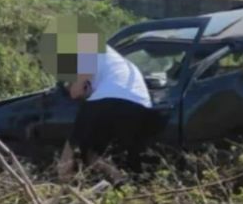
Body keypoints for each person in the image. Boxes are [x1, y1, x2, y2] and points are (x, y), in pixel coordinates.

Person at [58, 45, 164, 181]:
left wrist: (70, 85)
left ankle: (63, 177)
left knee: (76, 143)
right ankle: (121, 180)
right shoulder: (114, 58)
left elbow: (75, 92)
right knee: (121, 155)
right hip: (140, 105)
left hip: (111, 97)